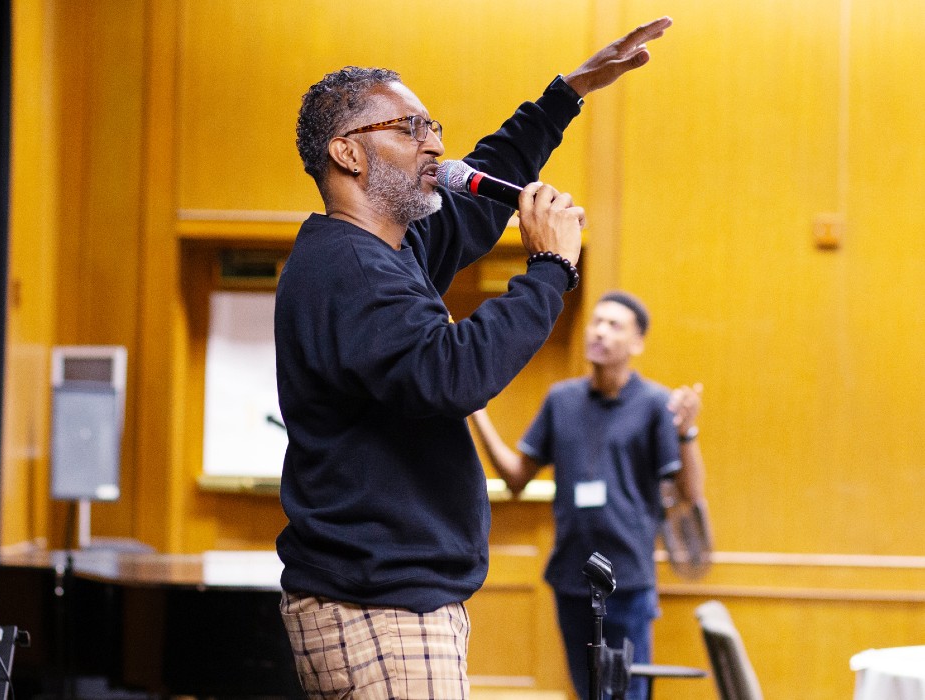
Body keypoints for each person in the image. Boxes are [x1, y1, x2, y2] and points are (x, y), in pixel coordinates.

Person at [274, 17, 673, 699]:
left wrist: (567, 93)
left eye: (433, 127)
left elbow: (484, 194)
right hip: (379, 605)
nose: (436, 143)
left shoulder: (393, 251)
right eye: (411, 128)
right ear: (347, 154)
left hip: (395, 599)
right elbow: (451, 373)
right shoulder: (351, 268)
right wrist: (549, 266)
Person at [471, 291, 706, 700]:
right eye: (596, 322)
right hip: (571, 576)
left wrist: (687, 433)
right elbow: (515, 478)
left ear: (637, 344)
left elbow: (690, 494)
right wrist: (476, 411)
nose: (600, 331)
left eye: (614, 325)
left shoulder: (654, 404)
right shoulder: (561, 400)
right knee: (586, 692)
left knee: (628, 692)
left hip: (629, 579)